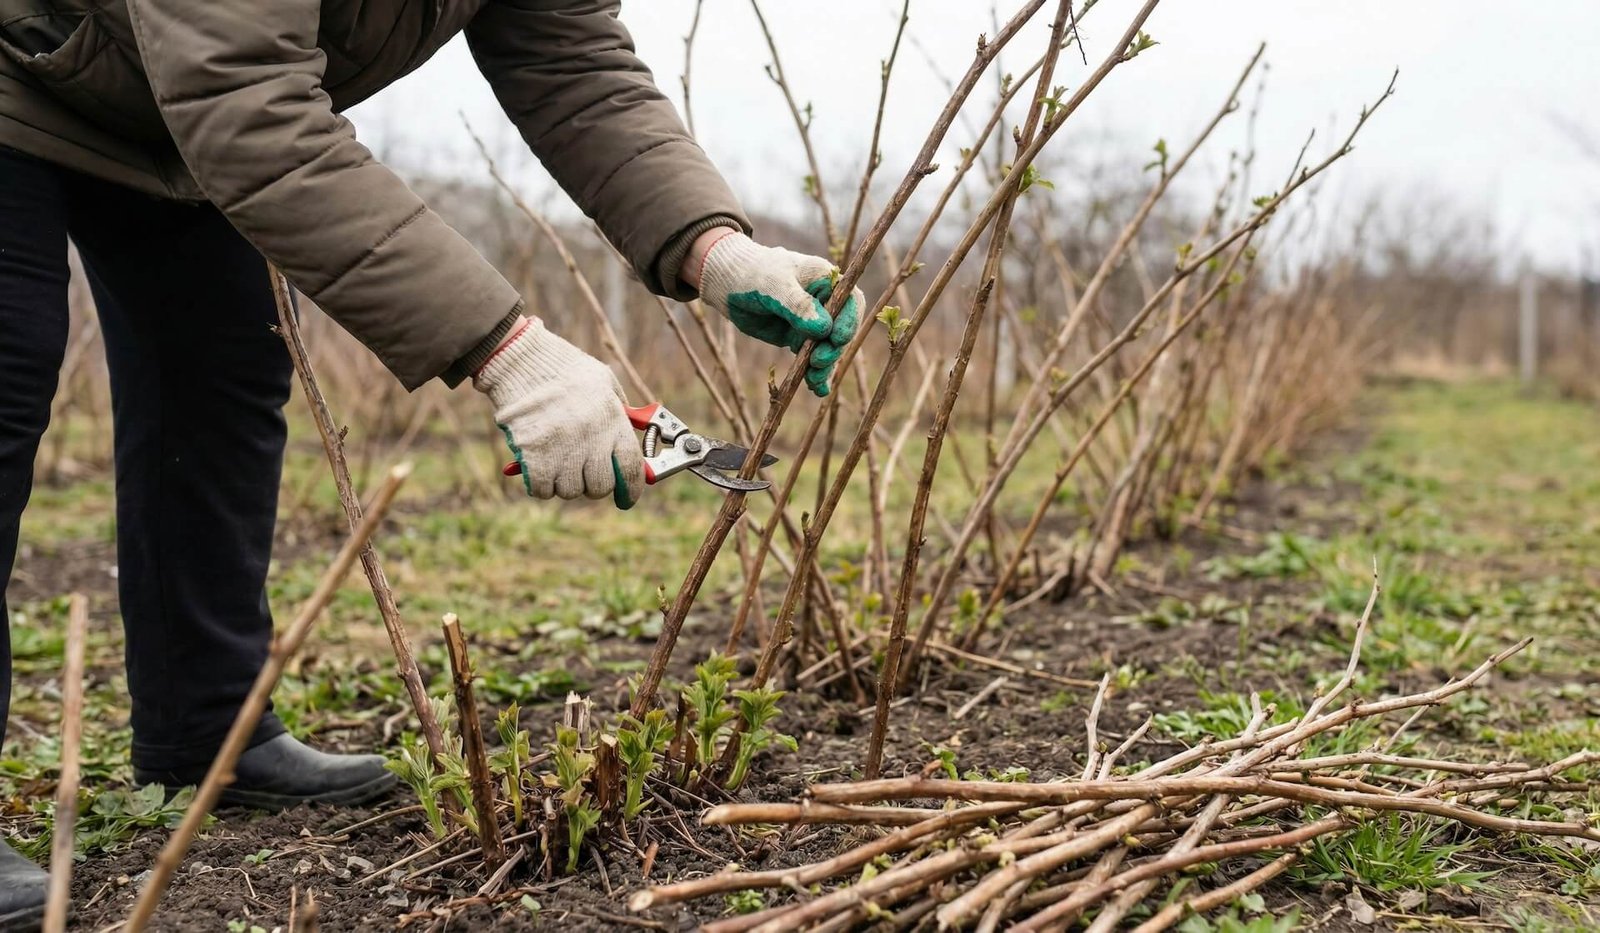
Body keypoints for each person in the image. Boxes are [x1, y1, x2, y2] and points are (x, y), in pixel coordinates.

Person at [0, 0, 861, 925]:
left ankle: (206, 735)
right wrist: (510, 351)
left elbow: (572, 64)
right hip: (35, 62)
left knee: (220, 369)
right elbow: (241, 97)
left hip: (163, 109)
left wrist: (713, 244)